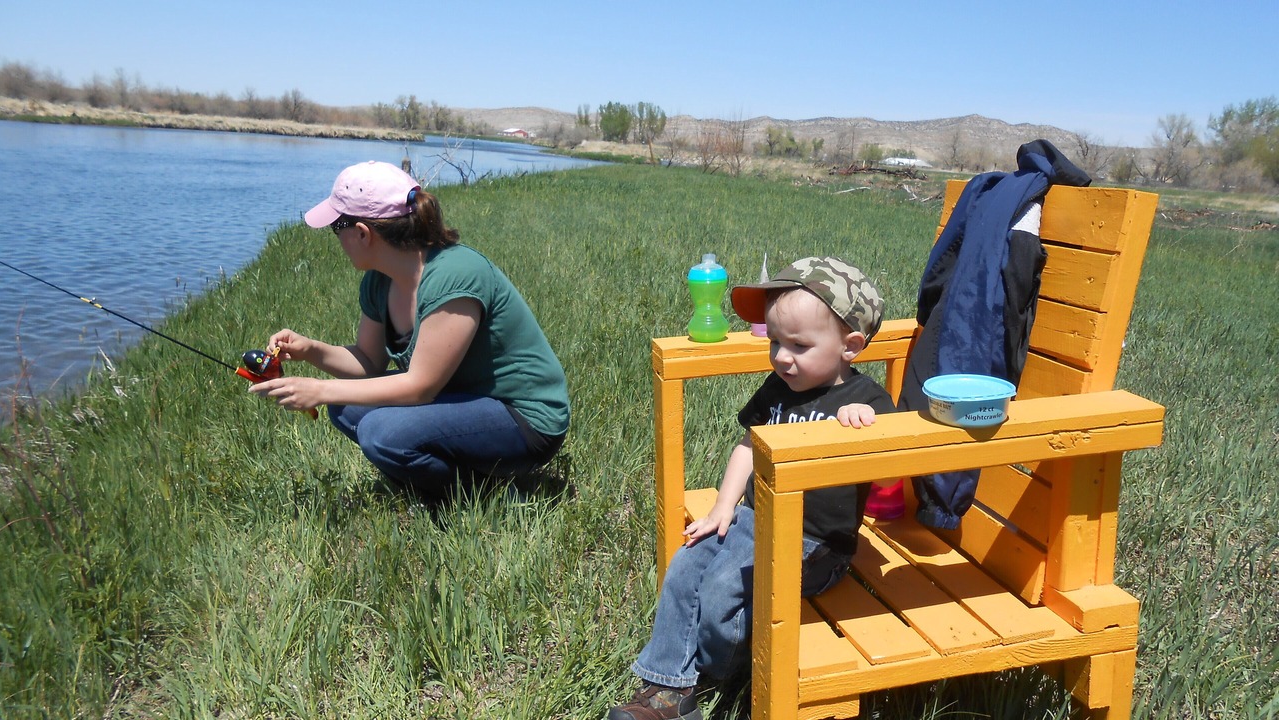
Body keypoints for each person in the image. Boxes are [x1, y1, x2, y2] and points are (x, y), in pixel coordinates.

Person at [607, 256, 894, 720]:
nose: (782, 356)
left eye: (799, 345)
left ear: (851, 346)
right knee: (686, 566)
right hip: (754, 521)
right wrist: (724, 507)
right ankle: (663, 691)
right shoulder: (778, 388)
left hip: (817, 545)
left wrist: (867, 428)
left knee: (722, 586)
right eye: (776, 342)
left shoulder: (867, 403)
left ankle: (721, 674)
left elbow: (893, 469)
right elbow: (747, 446)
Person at [249, 160, 570, 499]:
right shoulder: (379, 281)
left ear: (362, 232)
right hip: (463, 397)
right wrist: (310, 350)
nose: (337, 239)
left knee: (381, 433)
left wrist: (320, 390)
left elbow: (420, 388)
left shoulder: (455, 275)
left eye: (335, 229)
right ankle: (452, 477)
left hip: (522, 418)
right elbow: (368, 363)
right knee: (346, 408)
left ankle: (479, 496)